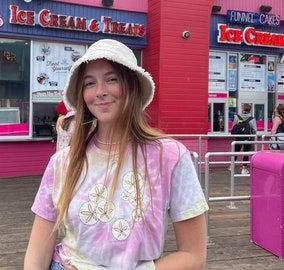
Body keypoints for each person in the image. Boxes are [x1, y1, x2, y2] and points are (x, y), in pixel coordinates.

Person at [24, 39, 209, 270]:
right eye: (89, 83)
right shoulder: (63, 162)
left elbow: (194, 255)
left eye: (111, 79)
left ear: (132, 86)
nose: (100, 92)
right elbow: (37, 254)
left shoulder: (169, 156)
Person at [231, 103, 257, 174]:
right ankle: (244, 168)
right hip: (247, 138)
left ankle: (231, 166)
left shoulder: (237, 117)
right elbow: (254, 130)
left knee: (235, 151)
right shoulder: (252, 119)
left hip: (239, 137)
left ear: (242, 109)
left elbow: (234, 127)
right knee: (246, 153)